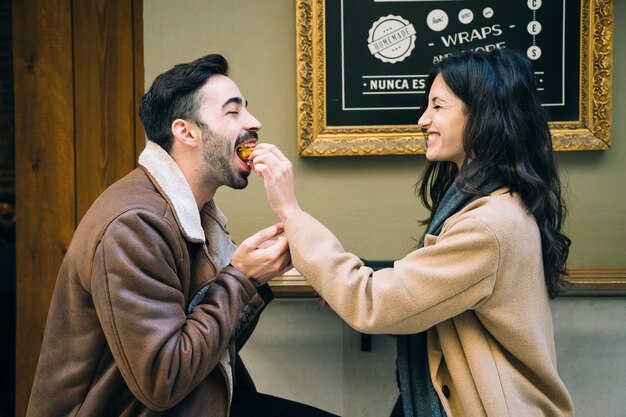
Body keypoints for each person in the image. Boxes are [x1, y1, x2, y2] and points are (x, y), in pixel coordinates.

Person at [250, 49, 574, 416]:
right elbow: (422, 301)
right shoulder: (497, 208)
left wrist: (290, 211)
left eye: (438, 106)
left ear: (483, 115)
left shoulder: (489, 226)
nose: (423, 120)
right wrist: (333, 280)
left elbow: (375, 304)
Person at [27, 54, 337, 417]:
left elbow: (214, 343)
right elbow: (164, 380)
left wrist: (266, 274)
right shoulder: (135, 225)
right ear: (186, 132)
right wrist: (242, 278)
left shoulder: (195, 214)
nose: (255, 123)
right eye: (233, 112)